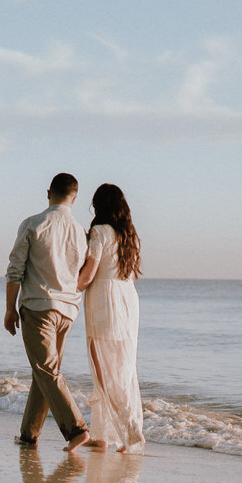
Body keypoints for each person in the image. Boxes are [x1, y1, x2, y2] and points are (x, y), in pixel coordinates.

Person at [5, 172, 91, 451]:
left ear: (48, 193)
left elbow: (15, 270)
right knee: (44, 373)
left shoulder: (33, 224)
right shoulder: (80, 231)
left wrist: (9, 309)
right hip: (67, 310)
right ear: (74, 198)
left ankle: (77, 429)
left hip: (39, 306)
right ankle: (29, 435)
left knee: (46, 370)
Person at [76, 183, 144, 453]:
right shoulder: (131, 235)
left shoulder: (99, 232)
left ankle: (131, 430)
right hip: (128, 299)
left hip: (105, 299)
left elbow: (88, 275)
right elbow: (131, 274)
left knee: (103, 369)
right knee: (123, 368)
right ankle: (103, 435)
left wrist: (68, 286)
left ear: (98, 207)